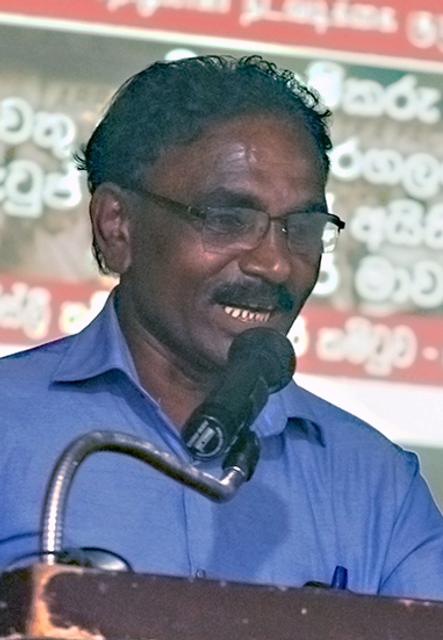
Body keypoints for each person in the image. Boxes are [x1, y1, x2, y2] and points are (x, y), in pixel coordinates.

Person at [1, 55, 443, 600]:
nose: (275, 264)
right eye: (228, 219)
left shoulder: (376, 484)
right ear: (117, 226)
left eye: (302, 227)